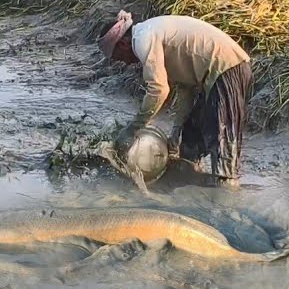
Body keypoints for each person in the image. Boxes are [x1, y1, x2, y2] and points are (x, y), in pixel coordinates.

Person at [99, 10, 253, 185]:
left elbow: (158, 89)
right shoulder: (152, 36)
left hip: (228, 68)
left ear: (123, 44)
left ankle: (227, 192)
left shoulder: (143, 39)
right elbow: (185, 89)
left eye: (118, 57)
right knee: (190, 140)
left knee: (221, 143)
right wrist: (176, 131)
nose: (124, 62)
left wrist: (134, 128)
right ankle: (192, 185)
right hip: (214, 74)